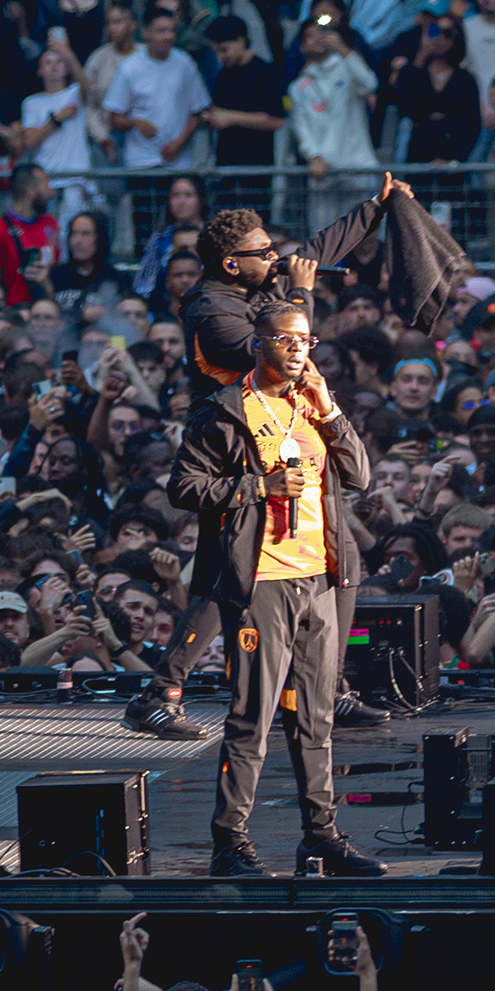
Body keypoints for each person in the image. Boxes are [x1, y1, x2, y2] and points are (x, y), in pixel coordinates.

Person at [167, 295, 383, 880]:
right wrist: (258, 486)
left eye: (305, 341)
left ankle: (322, 837)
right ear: (257, 345)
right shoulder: (226, 410)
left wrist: (331, 409)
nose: (297, 350)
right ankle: (229, 844)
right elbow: (184, 487)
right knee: (252, 718)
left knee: (316, 718)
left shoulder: (310, 407)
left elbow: (360, 476)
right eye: (286, 340)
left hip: (317, 579)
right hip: (261, 581)